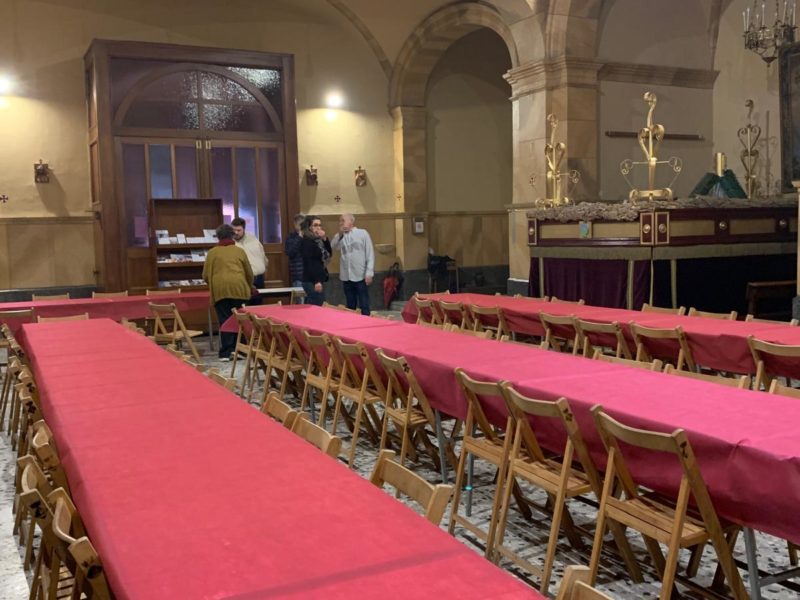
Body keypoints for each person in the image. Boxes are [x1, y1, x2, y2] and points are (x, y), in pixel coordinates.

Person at [202, 223, 253, 360]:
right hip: (239, 288)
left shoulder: (212, 253)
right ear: (232, 235)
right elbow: (249, 273)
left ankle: (226, 352)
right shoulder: (239, 251)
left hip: (220, 290)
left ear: (218, 237)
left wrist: (214, 283)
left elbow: (205, 275)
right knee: (240, 319)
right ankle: (241, 350)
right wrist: (249, 286)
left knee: (225, 320)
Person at [331, 213, 374, 315]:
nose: (340, 223)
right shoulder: (340, 235)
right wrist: (340, 234)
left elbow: (370, 253)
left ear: (351, 221)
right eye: (340, 221)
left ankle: (366, 322)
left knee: (364, 304)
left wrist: (369, 273)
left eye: (343, 220)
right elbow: (333, 246)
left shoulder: (362, 233)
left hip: (360, 275)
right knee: (350, 305)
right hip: (346, 276)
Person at [231, 217, 267, 305]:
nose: (236, 232)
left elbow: (263, 255)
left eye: (238, 230)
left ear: (244, 229)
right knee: (244, 306)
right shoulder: (230, 243)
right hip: (243, 279)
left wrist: (264, 266)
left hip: (258, 278)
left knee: (258, 306)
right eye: (234, 230)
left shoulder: (253, 239)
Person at [300, 215, 331, 306]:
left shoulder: (318, 240)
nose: (318, 228)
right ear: (309, 227)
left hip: (318, 278)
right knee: (317, 305)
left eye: (320, 225)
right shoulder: (307, 241)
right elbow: (310, 263)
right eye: (315, 225)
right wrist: (317, 281)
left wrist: (325, 239)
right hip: (311, 280)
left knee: (318, 304)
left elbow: (329, 253)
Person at [284, 213, 305, 302]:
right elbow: (290, 252)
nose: (302, 227)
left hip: (310, 276)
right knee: (301, 302)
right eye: (300, 224)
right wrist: (299, 238)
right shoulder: (291, 237)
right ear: (295, 224)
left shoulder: (309, 236)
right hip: (298, 275)